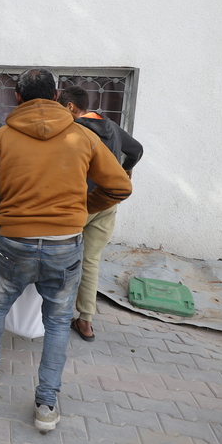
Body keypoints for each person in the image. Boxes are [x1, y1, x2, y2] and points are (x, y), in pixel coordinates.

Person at [0, 69, 132, 432]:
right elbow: (120, 186)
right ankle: (46, 405)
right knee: (58, 322)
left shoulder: (1, 138)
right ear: (57, 95)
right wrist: (85, 206)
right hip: (64, 246)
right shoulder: (81, 136)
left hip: (14, 242)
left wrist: (8, 199)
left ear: (17, 98)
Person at [57, 86, 143, 341]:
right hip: (106, 204)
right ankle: (85, 321)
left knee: (59, 257)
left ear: (70, 107)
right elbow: (136, 149)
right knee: (90, 261)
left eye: (62, 109)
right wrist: (125, 170)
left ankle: (54, 313)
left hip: (79, 204)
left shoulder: (73, 131)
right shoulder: (111, 126)